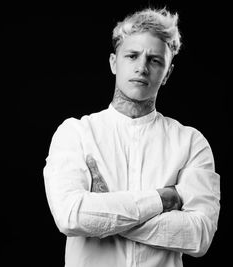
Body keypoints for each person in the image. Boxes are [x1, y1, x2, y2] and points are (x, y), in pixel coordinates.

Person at [43, 7, 220, 267]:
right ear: (114, 62)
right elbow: (70, 216)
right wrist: (162, 199)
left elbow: (199, 235)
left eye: (155, 60)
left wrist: (102, 214)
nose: (142, 67)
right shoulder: (76, 133)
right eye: (132, 55)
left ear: (167, 73)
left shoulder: (191, 143)